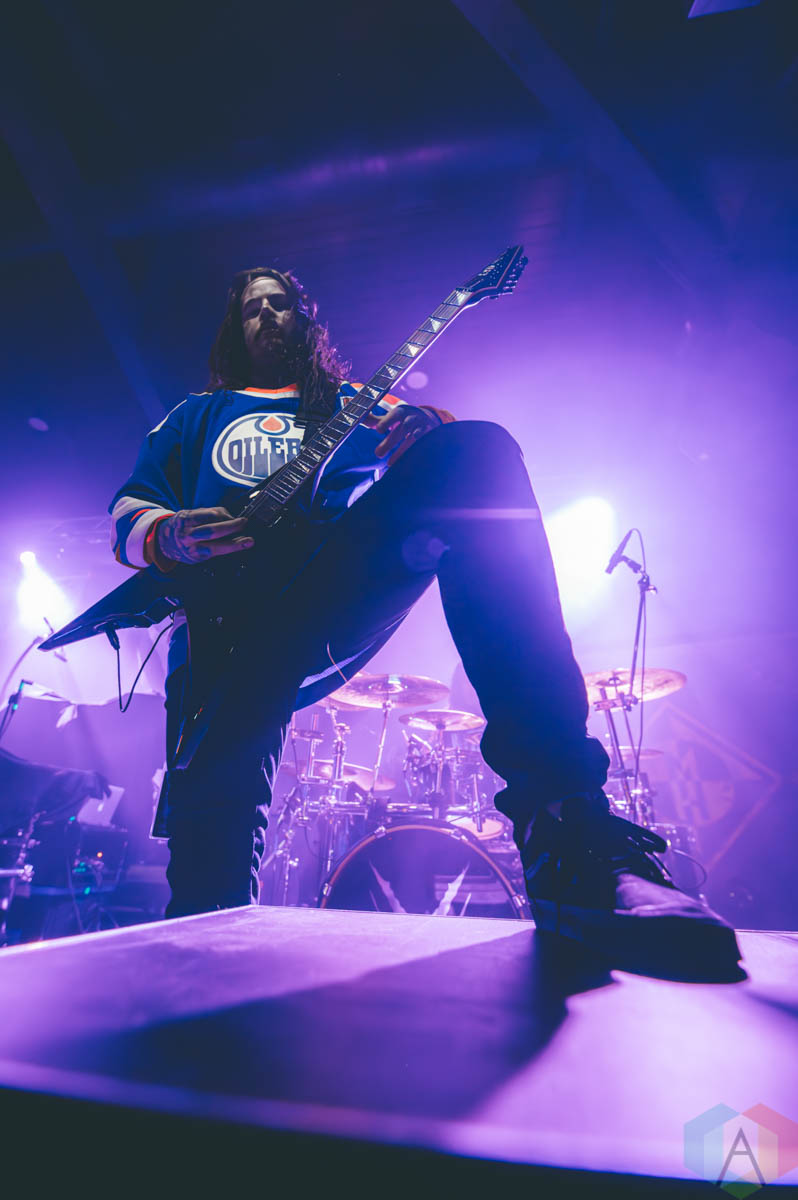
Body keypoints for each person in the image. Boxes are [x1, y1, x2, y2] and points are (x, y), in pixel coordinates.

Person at [109, 266, 740, 972]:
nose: (267, 316)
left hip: (317, 597)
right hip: (216, 633)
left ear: (305, 319)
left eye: (280, 303)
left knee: (477, 453)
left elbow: (431, 443)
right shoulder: (194, 416)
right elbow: (130, 508)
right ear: (235, 327)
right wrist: (166, 533)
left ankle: (565, 827)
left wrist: (426, 426)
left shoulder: (350, 404)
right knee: (205, 900)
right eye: (251, 307)